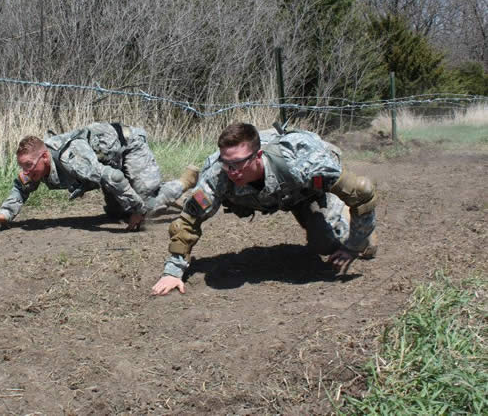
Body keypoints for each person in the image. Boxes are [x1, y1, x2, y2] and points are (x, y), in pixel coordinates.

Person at [151, 122, 378, 295]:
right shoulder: (218, 173)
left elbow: (362, 192)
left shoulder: (302, 162)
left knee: (336, 245)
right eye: (226, 164)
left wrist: (354, 245)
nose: (232, 171)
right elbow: (189, 219)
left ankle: (348, 221)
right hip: (278, 196)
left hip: (306, 191)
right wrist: (173, 271)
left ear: (258, 156)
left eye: (238, 164)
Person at [0, 122, 200, 230]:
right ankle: (168, 195)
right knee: (117, 214)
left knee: (144, 205)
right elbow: (20, 187)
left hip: (129, 148)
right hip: (108, 162)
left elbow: (113, 178)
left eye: (29, 166)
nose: (26, 172)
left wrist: (136, 210)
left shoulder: (70, 158)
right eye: (23, 166)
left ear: (45, 157)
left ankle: (184, 182)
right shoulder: (38, 167)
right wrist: (5, 214)